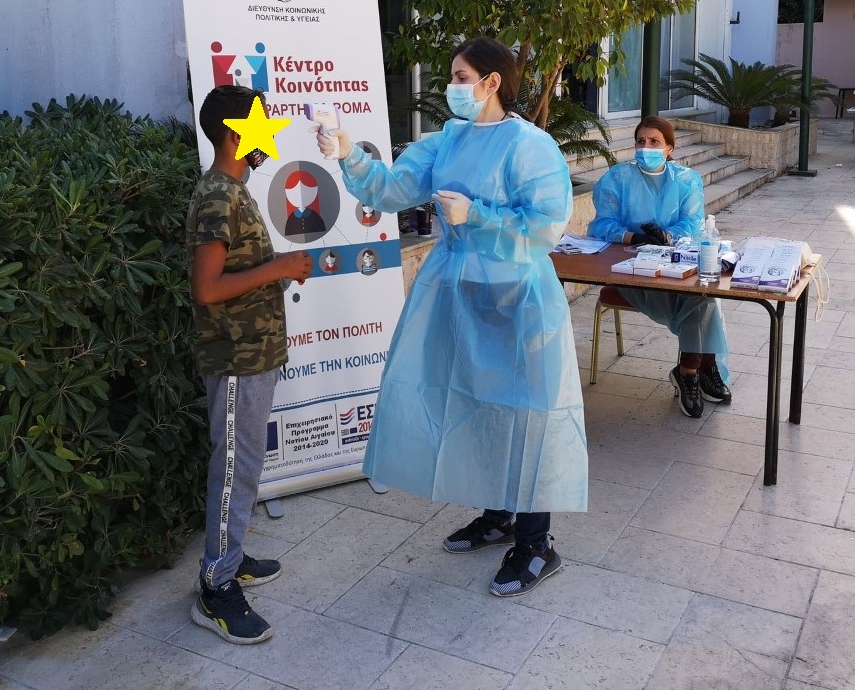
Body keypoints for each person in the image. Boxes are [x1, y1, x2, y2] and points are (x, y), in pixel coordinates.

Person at [315, 37, 587, 598]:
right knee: (474, 402)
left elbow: (546, 226)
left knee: (525, 413)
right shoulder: (447, 140)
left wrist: (478, 215)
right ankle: (498, 514)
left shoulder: (530, 146)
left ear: (492, 82)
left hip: (516, 298)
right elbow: (391, 189)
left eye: (461, 77)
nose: (452, 87)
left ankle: (537, 542)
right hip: (459, 291)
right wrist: (347, 152)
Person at [187, 85, 313, 644]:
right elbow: (207, 288)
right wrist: (279, 267)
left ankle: (231, 558)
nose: (270, 134)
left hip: (253, 354)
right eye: (262, 123)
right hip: (235, 358)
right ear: (236, 134)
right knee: (235, 466)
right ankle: (215, 587)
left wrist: (276, 266)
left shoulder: (233, 190)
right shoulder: (219, 195)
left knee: (246, 463)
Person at [587, 116, 733, 418]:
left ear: (669, 148)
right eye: (641, 141)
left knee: (701, 293)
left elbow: (692, 224)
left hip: (676, 263)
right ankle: (698, 367)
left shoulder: (686, 179)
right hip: (629, 268)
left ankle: (691, 369)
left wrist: (667, 237)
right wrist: (633, 237)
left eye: (654, 142)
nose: (646, 147)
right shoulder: (617, 178)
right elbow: (601, 224)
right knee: (702, 300)